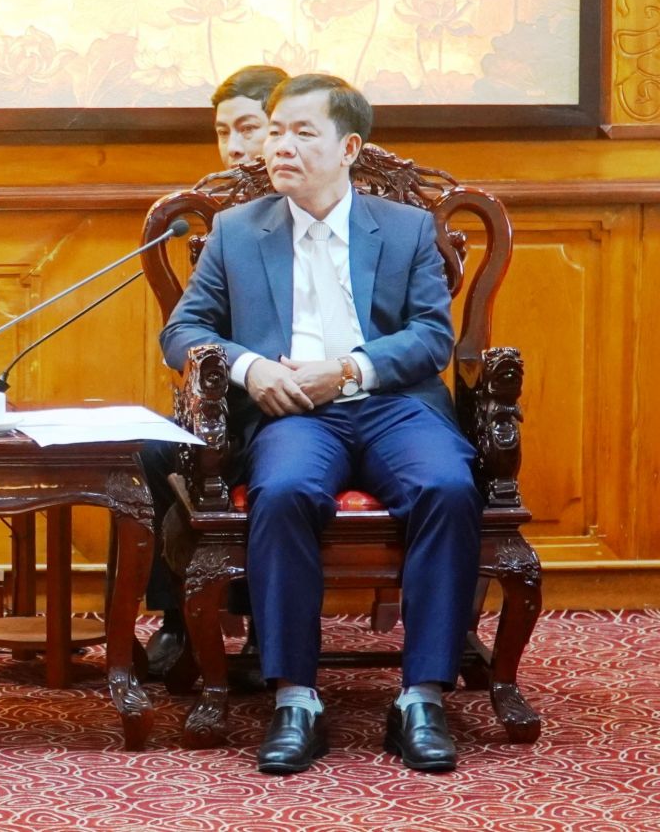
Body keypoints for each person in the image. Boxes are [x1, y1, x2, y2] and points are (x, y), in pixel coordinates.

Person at [160, 73, 480, 775]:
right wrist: (251, 370)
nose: (281, 146)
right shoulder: (237, 232)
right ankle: (295, 698)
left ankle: (421, 698)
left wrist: (348, 369)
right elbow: (183, 332)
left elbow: (432, 336)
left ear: (349, 148)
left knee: (447, 486)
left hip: (393, 403)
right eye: (276, 131)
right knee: (281, 493)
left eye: (304, 133)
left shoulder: (405, 228)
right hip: (293, 413)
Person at [143, 65, 289, 679]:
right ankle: (177, 619)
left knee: (264, 460)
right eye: (223, 132)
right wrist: (242, 369)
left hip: (316, 400)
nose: (234, 147)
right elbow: (184, 331)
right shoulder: (226, 226)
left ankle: (264, 631)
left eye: (248, 128)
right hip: (230, 395)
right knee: (153, 450)